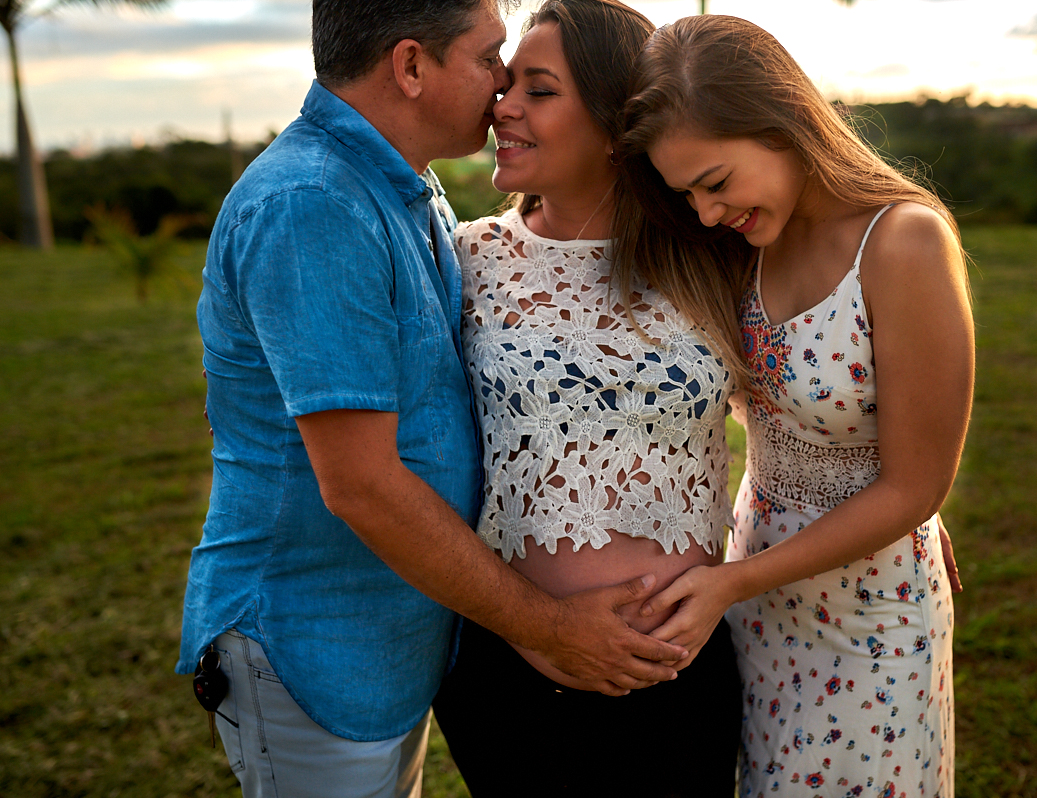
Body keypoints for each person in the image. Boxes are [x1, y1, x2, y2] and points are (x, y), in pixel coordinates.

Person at [176, 1, 690, 795]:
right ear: (411, 66)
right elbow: (361, 484)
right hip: (315, 636)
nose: (500, 90)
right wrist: (552, 628)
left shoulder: (400, 191)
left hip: (394, 628)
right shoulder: (313, 204)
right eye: (490, 61)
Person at [616, 15, 974, 798]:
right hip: (758, 596)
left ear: (781, 123)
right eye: (687, 194)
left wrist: (733, 583)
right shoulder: (742, 247)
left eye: (715, 182)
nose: (706, 213)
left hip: (870, 616)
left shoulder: (902, 242)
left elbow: (916, 487)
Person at [431, 2, 743, 796]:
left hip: (684, 675)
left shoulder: (713, 253)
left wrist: (900, 515)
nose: (502, 106)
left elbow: (813, 401)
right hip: (513, 677)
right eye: (507, 86)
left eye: (538, 91)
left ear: (616, 125)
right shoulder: (466, 260)